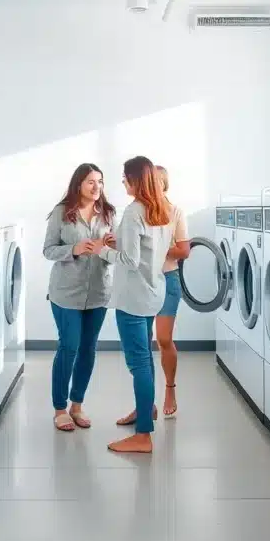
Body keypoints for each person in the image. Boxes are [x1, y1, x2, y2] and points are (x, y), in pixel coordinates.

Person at [94, 156, 173, 454]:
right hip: (153, 293)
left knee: (138, 362)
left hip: (133, 299)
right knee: (146, 357)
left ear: (136, 181)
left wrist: (103, 250)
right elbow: (147, 251)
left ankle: (143, 436)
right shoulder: (162, 209)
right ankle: (146, 410)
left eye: (125, 178)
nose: (123, 183)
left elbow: (128, 260)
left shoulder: (133, 212)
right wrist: (120, 244)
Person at [43, 163, 116, 432]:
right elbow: (48, 250)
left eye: (101, 182)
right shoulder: (62, 213)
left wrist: (113, 246)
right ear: (78, 185)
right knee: (69, 346)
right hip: (66, 293)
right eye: (90, 182)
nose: (97, 187)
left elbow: (116, 246)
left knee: (88, 348)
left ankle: (77, 405)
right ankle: (60, 408)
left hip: (98, 292)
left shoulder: (108, 213)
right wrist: (73, 249)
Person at [116, 164, 190, 424]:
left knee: (163, 340)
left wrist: (153, 250)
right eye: (151, 180)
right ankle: (146, 408)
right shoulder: (143, 211)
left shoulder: (172, 211)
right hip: (147, 282)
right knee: (143, 350)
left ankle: (169, 391)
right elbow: (135, 249)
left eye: (158, 180)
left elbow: (184, 250)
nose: (154, 184)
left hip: (165, 279)